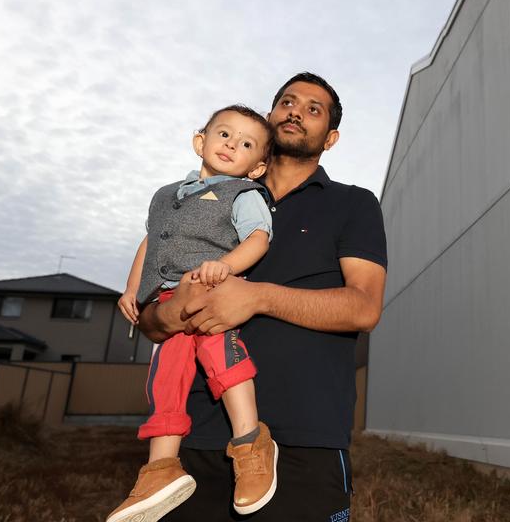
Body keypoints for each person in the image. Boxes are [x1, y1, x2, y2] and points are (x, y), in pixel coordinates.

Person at [139, 72, 387, 522]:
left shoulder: (353, 204)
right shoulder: (199, 201)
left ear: (329, 138)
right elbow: (149, 322)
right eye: (287, 102)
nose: (296, 111)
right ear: (271, 117)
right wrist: (173, 311)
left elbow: (365, 307)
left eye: (313, 109)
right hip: (195, 438)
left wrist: (257, 297)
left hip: (304, 437)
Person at [107, 105, 280, 522]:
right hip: (166, 302)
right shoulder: (166, 196)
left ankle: (251, 442)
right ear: (199, 141)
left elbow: (259, 238)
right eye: (224, 135)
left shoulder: (243, 194)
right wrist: (132, 288)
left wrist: (228, 266)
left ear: (256, 168)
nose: (231, 145)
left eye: (245, 144)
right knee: (165, 378)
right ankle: (161, 469)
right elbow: (151, 244)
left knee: (223, 359)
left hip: (211, 292)